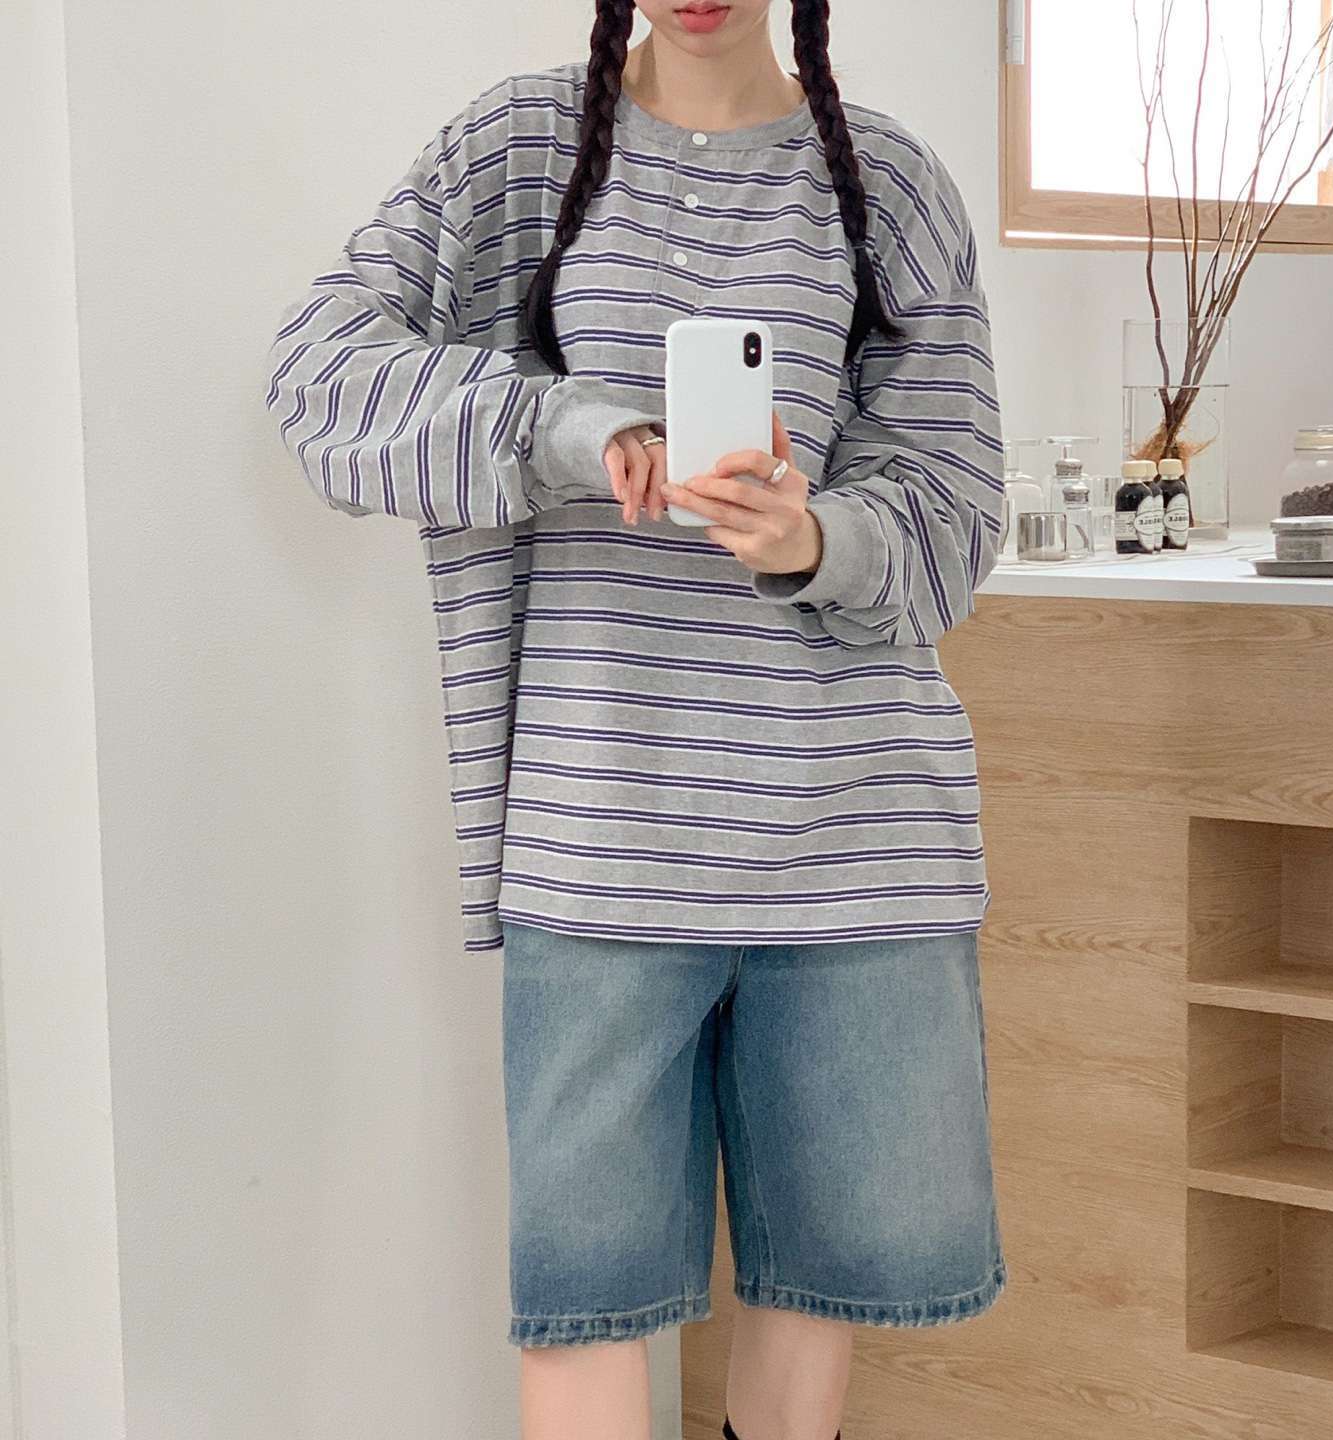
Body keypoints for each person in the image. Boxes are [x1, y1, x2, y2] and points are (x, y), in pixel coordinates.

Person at [263, 2, 1007, 1436]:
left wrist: (813, 537)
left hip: (857, 840)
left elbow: (958, 510)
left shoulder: (888, 186)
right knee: (585, 1298)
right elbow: (320, 375)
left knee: (823, 1281)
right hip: (599, 834)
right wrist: (569, 429)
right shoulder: (517, 152)